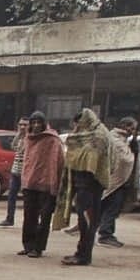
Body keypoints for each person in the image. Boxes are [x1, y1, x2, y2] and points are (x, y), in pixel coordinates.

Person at [52, 108, 114, 266]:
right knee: (85, 221)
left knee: (87, 222)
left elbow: (93, 161)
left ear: (84, 122)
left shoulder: (98, 136)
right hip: (84, 185)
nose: (76, 128)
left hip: (90, 185)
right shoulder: (94, 133)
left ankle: (84, 256)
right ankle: (81, 253)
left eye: (78, 124)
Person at [18, 111, 63, 258]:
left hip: (46, 184)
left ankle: (38, 247)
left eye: (39, 122)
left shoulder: (52, 139)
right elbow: (26, 160)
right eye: (34, 122)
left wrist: (55, 183)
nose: (36, 125)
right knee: (29, 216)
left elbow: (58, 162)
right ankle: (28, 245)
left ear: (44, 124)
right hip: (30, 183)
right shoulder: (28, 138)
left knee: (44, 218)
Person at [96, 117, 138, 248]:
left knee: (110, 208)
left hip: (118, 182)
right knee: (111, 209)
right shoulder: (115, 138)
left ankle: (105, 233)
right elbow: (125, 160)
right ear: (125, 126)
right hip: (113, 181)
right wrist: (132, 153)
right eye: (132, 128)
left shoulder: (124, 140)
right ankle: (105, 235)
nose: (133, 131)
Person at [0, 117, 29, 227]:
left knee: (28, 198)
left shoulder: (30, 139)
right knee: (11, 196)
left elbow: (23, 150)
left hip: (26, 172)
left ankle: (29, 221)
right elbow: (13, 147)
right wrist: (19, 135)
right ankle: (10, 218)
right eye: (20, 124)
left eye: (25, 125)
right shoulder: (19, 137)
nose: (22, 127)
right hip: (15, 171)